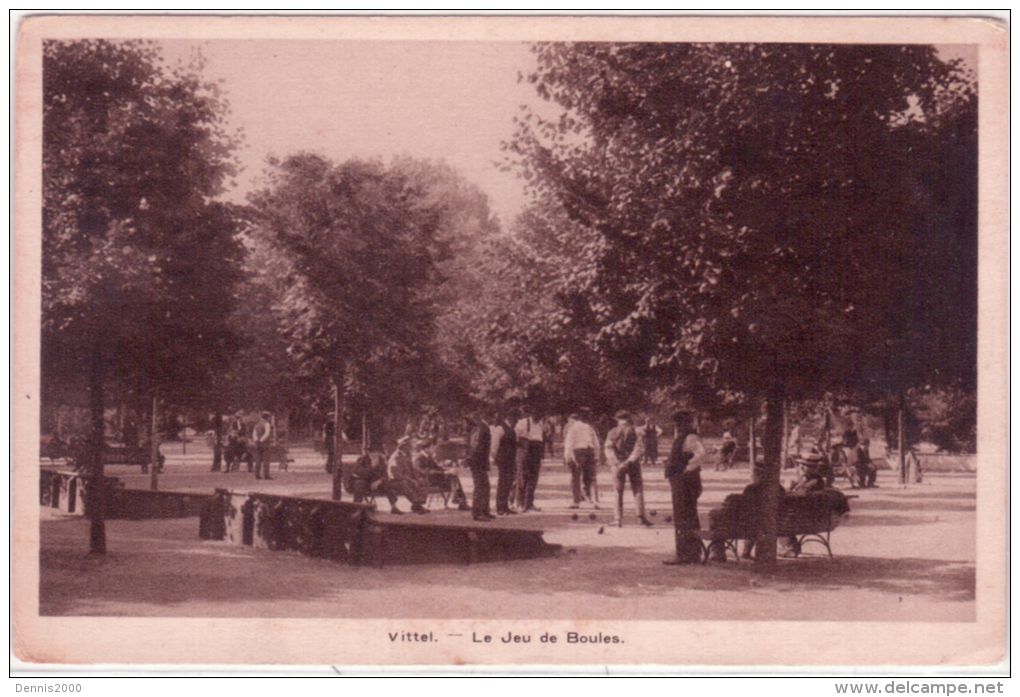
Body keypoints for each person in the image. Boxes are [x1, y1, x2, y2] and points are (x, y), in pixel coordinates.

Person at [663, 411, 706, 564]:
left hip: (686, 482)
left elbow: (700, 454)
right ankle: (690, 553)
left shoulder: (690, 437)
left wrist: (686, 469)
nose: (677, 427)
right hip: (681, 481)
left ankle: (686, 554)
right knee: (685, 516)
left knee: (684, 516)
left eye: (678, 423)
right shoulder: (683, 437)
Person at [604, 411, 653, 528]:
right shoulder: (636, 431)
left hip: (617, 464)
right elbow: (639, 448)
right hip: (633, 464)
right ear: (628, 419)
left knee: (617, 491)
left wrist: (616, 462)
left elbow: (608, 448)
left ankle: (618, 519)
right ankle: (640, 517)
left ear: (617, 419)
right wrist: (629, 461)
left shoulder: (612, 432)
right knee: (637, 489)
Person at [563, 411, 600, 509]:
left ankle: (576, 501)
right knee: (591, 477)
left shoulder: (573, 428)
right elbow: (596, 443)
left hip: (578, 452)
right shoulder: (589, 427)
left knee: (575, 477)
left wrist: (568, 457)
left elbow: (569, 443)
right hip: (590, 451)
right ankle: (594, 500)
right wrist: (597, 456)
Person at [349, 449, 404, 513]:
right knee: (359, 483)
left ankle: (394, 507)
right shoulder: (362, 460)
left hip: (377, 483)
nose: (374, 455)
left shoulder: (382, 460)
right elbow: (358, 473)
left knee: (387, 484)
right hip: (364, 481)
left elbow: (385, 475)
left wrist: (379, 481)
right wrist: (372, 466)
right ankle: (356, 506)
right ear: (368, 453)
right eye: (372, 453)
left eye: (376, 453)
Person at [513, 408, 546, 512]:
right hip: (525, 451)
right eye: (538, 412)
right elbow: (515, 438)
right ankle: (519, 503)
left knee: (533, 479)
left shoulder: (541, 424)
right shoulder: (523, 423)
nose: (540, 415)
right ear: (532, 412)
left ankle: (528, 503)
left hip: (536, 452)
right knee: (522, 477)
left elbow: (542, 439)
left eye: (541, 413)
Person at [386, 436, 429, 514]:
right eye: (409, 446)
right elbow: (396, 474)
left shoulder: (406, 455)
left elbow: (412, 470)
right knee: (405, 484)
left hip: (405, 479)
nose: (411, 448)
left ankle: (416, 505)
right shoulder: (396, 457)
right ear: (403, 446)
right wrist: (411, 480)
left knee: (422, 481)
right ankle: (417, 505)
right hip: (395, 481)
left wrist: (417, 479)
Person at [465, 415, 494, 521]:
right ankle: (478, 513)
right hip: (478, 461)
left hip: (478, 461)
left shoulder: (481, 426)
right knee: (480, 486)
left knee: (485, 486)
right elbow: (476, 446)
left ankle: (485, 511)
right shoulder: (481, 427)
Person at [490, 412, 518, 515]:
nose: (516, 421)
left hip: (510, 459)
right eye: (514, 418)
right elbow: (494, 445)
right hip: (503, 460)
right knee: (503, 483)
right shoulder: (500, 428)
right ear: (509, 417)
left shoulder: (511, 429)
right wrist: (494, 458)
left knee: (509, 483)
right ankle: (500, 507)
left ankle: (505, 506)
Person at [252, 411, 274, 480]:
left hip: (257, 444)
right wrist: (261, 440)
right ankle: (266, 475)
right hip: (265, 443)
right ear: (267, 417)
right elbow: (267, 434)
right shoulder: (267, 424)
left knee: (258, 459)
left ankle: (257, 475)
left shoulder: (257, 424)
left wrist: (256, 441)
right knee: (266, 460)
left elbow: (254, 434)